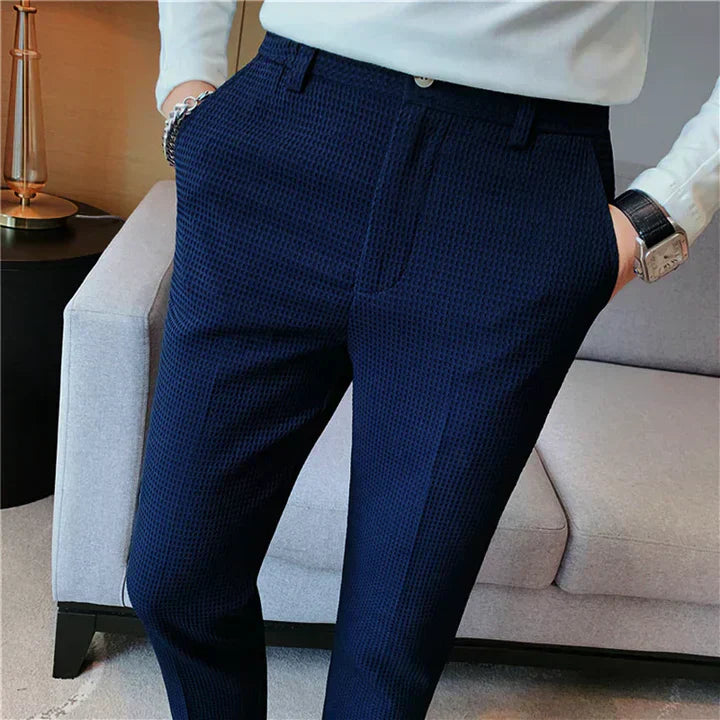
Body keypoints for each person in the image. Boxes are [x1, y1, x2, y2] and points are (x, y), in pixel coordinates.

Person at [126, 1, 720, 718]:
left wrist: (667, 209)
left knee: (391, 652)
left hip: (515, 184)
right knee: (174, 576)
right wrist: (187, 82)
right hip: (288, 126)